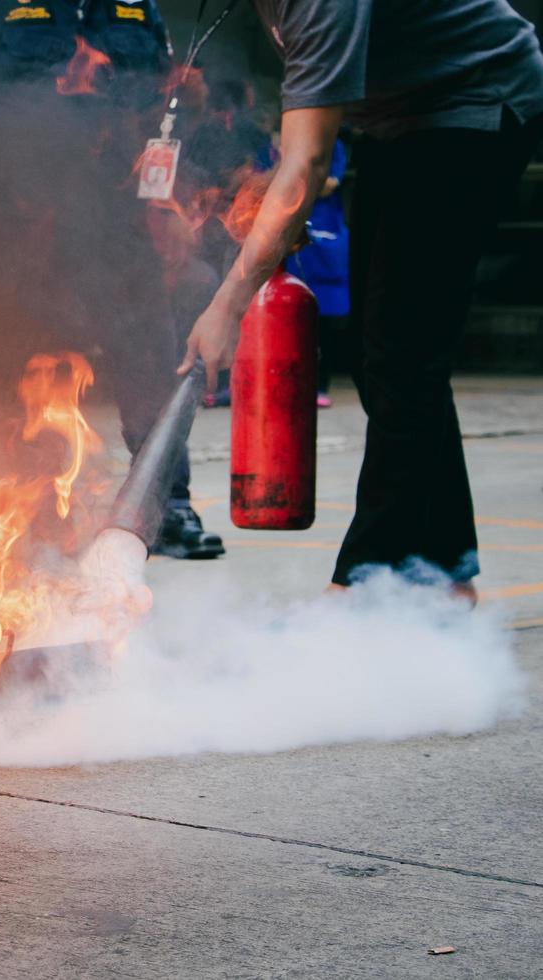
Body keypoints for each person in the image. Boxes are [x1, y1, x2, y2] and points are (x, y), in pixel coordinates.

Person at [179, 0, 543, 598]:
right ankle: (447, 572)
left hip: (477, 100)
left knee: (402, 355)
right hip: (403, 120)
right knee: (390, 367)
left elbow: (307, 162)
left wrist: (228, 303)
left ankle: (362, 585)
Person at [0, 0, 225, 560]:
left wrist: (170, 201)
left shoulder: (138, 12)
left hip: (117, 220)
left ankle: (163, 506)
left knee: (149, 358)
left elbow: (166, 111)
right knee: (24, 363)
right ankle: (33, 506)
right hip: (20, 216)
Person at [285, 133, 350, 408]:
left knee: (322, 318)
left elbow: (330, 183)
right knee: (288, 315)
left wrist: (293, 178)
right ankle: (290, 382)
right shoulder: (278, 144)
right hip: (292, 233)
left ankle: (320, 383)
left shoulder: (332, 144)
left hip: (323, 236)